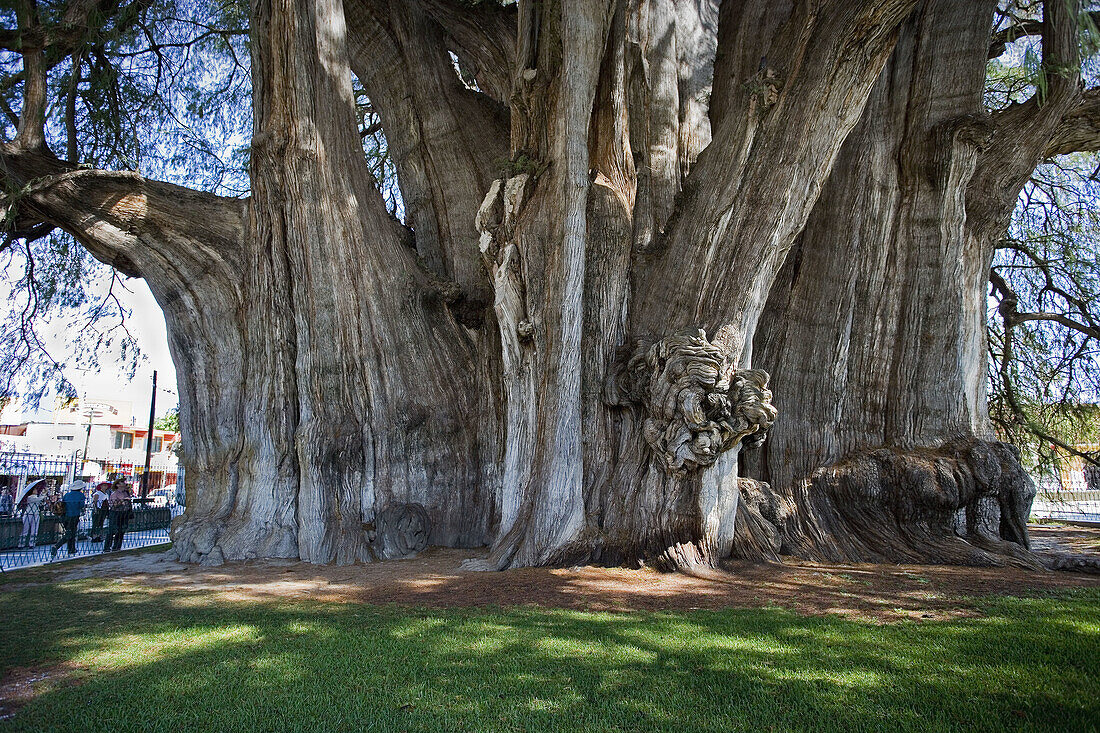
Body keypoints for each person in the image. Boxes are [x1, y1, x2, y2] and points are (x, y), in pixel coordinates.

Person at [51, 482, 87, 558]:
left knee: (69, 531)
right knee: (71, 533)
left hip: (65, 516)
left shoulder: (67, 495)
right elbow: (81, 505)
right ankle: (56, 546)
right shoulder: (81, 495)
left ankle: (71, 548)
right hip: (74, 515)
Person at [104, 480, 134, 553]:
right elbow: (114, 504)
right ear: (117, 485)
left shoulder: (125, 493)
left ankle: (117, 546)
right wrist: (122, 501)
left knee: (122, 530)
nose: (124, 484)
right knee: (113, 530)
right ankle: (107, 546)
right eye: (122, 483)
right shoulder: (115, 494)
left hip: (124, 512)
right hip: (116, 513)